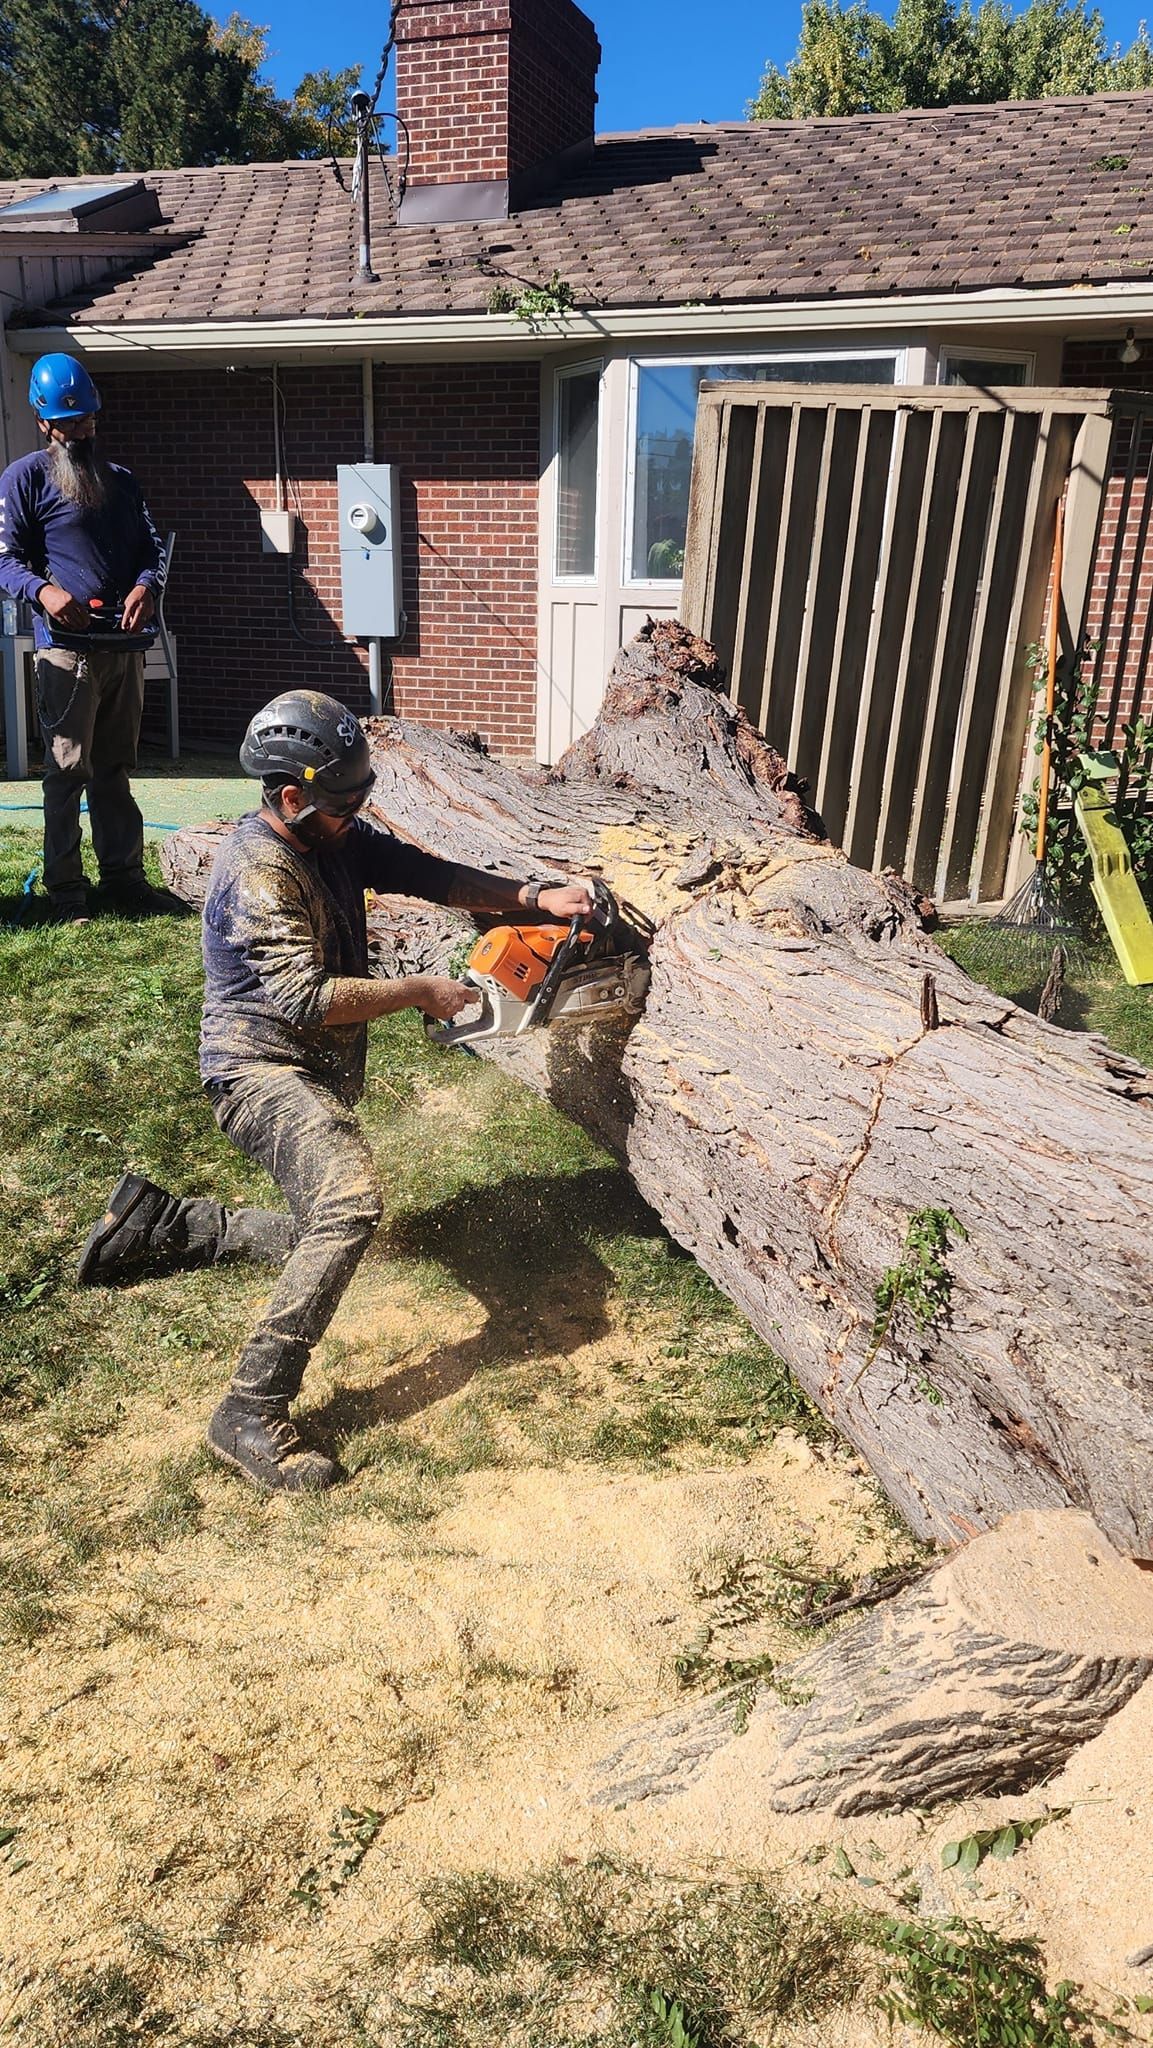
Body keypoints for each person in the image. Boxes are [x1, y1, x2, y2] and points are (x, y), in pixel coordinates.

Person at [76, 690, 600, 1492]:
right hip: (257, 1074)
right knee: (350, 1206)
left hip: (310, 1067)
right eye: (346, 804)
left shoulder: (333, 836)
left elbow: (423, 872)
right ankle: (249, 1410)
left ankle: (167, 1227)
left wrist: (532, 896)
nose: (357, 816)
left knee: (339, 1232)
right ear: (292, 796)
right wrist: (420, 990)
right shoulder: (259, 871)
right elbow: (304, 998)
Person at [0, 352, 175, 921]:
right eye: (68, 423)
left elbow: (151, 550)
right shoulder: (24, 479)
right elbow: (4, 558)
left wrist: (147, 586)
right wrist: (44, 592)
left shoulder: (121, 480)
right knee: (67, 771)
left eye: (88, 420)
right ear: (42, 422)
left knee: (114, 770)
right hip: (66, 653)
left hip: (123, 650)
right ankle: (66, 892)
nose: (80, 432)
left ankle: (124, 880)